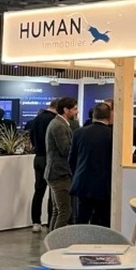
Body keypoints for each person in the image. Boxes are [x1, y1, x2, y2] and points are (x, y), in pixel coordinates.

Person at [69, 102, 113, 226]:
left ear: (93, 115)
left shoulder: (79, 133)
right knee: (102, 222)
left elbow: (72, 159)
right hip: (104, 185)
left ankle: (79, 239)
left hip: (82, 182)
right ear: (109, 116)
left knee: (81, 220)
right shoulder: (112, 134)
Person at [44, 96, 78, 230]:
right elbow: (65, 150)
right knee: (65, 211)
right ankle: (56, 240)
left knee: (57, 211)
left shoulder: (59, 124)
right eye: (74, 109)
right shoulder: (58, 125)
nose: (76, 112)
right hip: (59, 173)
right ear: (66, 110)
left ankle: (51, 239)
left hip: (57, 173)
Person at [26, 100, 57, 233]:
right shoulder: (54, 121)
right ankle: (51, 222)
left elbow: (31, 137)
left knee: (38, 191)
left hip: (38, 158)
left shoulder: (37, 119)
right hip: (49, 158)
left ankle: (36, 222)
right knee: (53, 192)